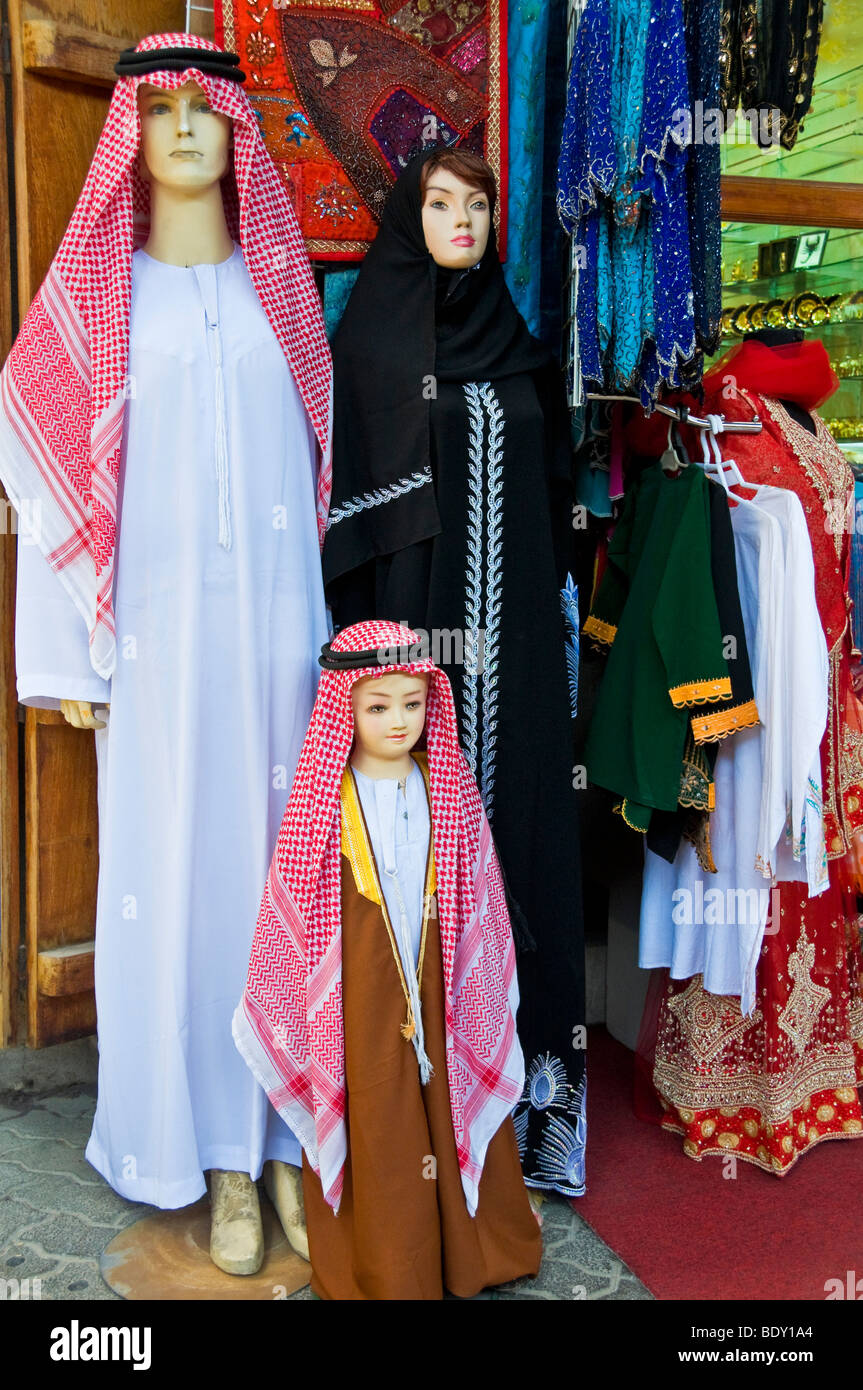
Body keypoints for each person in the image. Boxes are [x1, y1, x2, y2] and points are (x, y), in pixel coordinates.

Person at [0, 32, 332, 1273]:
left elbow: (312, 478)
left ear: (237, 134)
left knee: (277, 888)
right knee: (171, 887)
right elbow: (42, 477)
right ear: (130, 134)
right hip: (151, 656)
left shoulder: (282, 303)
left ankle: (288, 1144)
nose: (186, 127)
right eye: (162, 109)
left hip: (278, 661)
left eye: (207, 108)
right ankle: (210, 1164)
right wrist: (72, 664)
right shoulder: (96, 300)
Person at [321, 147, 587, 1198]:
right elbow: (353, 522)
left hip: (513, 658)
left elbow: (556, 502)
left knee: (523, 841)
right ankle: (422, 1124)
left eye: (476, 204)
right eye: (439, 203)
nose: (461, 219)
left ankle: (539, 1111)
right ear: (408, 214)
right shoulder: (374, 346)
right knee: (416, 871)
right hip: (414, 661)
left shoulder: (520, 351)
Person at [234, 619, 543, 1299]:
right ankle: (388, 1267)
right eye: (378, 706)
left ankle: (467, 1255)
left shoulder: (448, 790)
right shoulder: (325, 802)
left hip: (441, 991)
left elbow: (476, 900)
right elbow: (297, 914)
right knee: (380, 1119)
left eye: (412, 703)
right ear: (346, 707)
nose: (398, 720)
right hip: (360, 999)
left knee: (449, 1101)